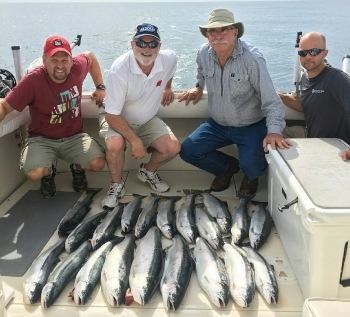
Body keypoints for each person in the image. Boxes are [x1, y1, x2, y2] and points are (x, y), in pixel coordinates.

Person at [178, 8, 289, 197]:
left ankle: (251, 177)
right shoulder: (203, 53)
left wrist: (274, 131)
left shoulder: (252, 59)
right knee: (188, 150)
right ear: (206, 35)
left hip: (251, 126)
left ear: (235, 31)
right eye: (212, 31)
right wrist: (198, 86)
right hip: (217, 125)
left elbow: (271, 100)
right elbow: (201, 71)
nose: (218, 35)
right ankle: (226, 168)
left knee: (252, 166)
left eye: (224, 29)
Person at [0, 35, 106, 198]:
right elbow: (5, 106)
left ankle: (77, 167)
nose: (60, 66)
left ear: (71, 60)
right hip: (42, 139)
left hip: (74, 137)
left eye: (65, 60)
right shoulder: (32, 80)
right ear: (44, 60)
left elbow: (90, 57)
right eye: (54, 60)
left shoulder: (77, 68)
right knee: (34, 174)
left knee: (98, 163)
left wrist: (100, 86)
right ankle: (48, 172)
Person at [100, 23, 180, 209]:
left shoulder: (169, 59)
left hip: (147, 120)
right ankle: (116, 185)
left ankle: (147, 171)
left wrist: (168, 87)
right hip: (117, 119)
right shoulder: (119, 69)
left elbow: (171, 70)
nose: (147, 48)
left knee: (173, 147)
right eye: (141, 43)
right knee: (115, 144)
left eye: (152, 44)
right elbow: (112, 115)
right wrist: (135, 141)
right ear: (132, 44)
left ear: (159, 47)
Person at [279, 31, 350, 160]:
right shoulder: (305, 78)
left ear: (325, 53)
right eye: (303, 53)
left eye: (314, 52)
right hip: (313, 137)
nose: (308, 57)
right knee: (270, 131)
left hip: (338, 145)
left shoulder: (337, 79)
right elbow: (308, 103)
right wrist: (281, 97)